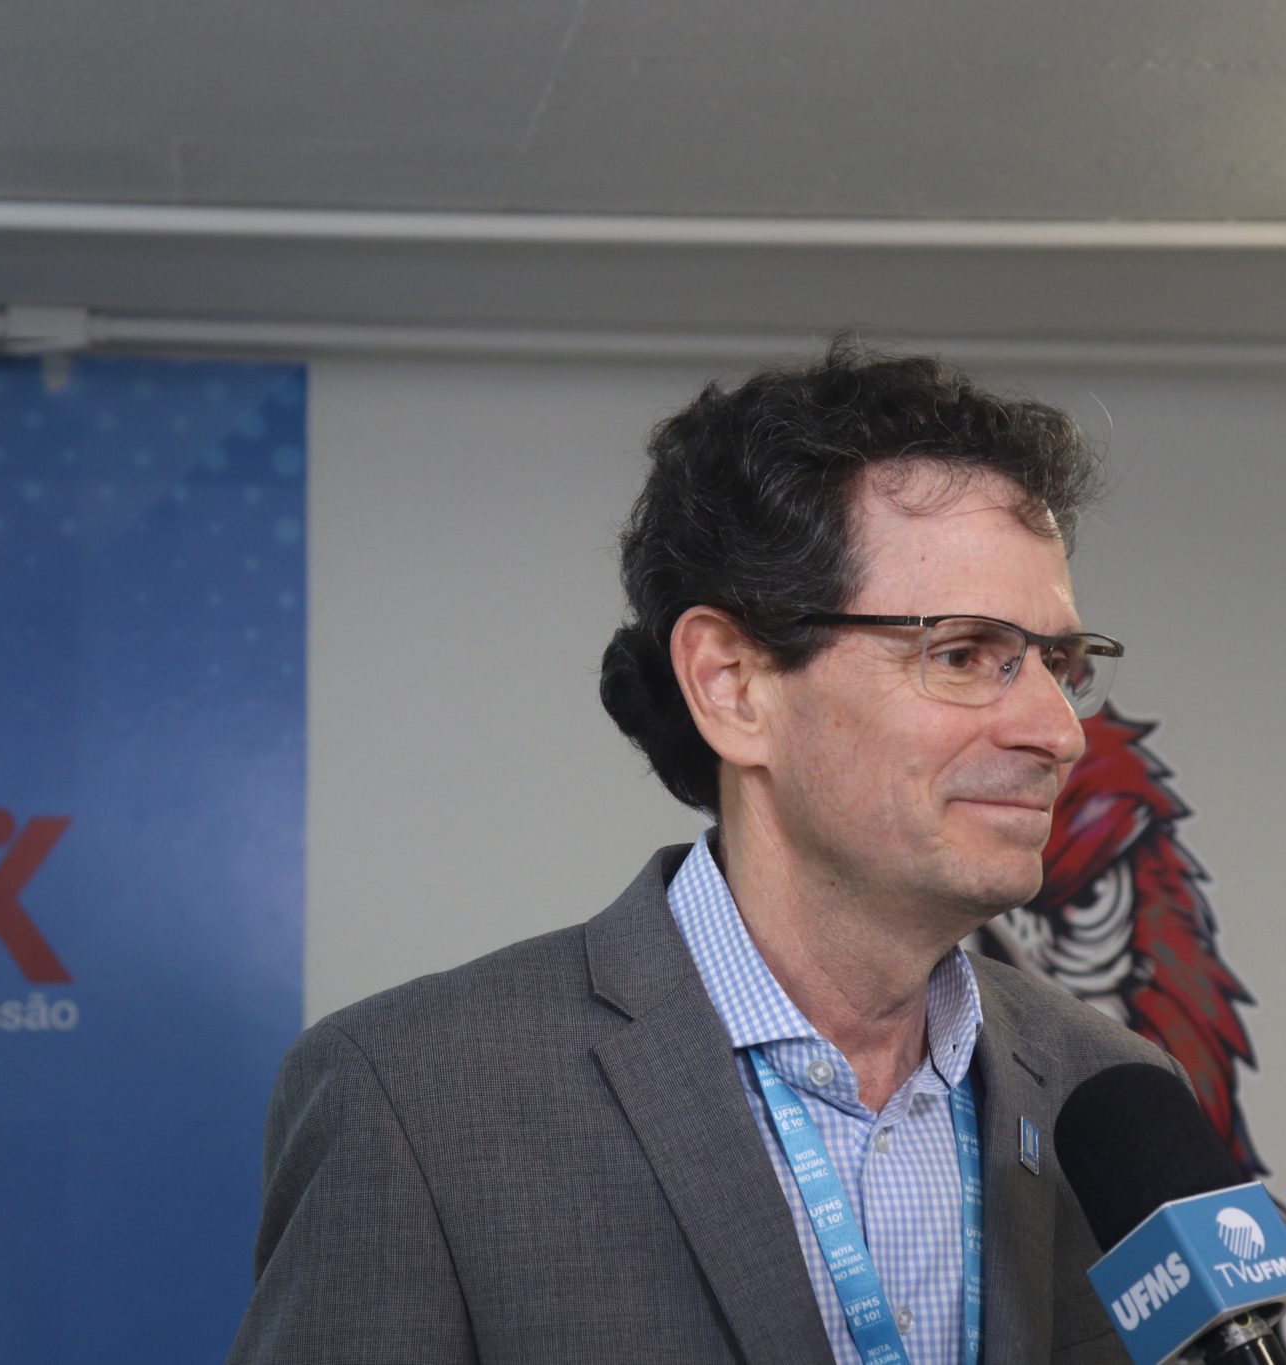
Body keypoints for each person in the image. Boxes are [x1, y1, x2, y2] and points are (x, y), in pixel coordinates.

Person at [228, 342, 1187, 1364]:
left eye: (1058, 664)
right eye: (961, 654)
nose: (1057, 731)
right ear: (732, 685)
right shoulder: (415, 1102)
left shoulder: (1117, 1096)